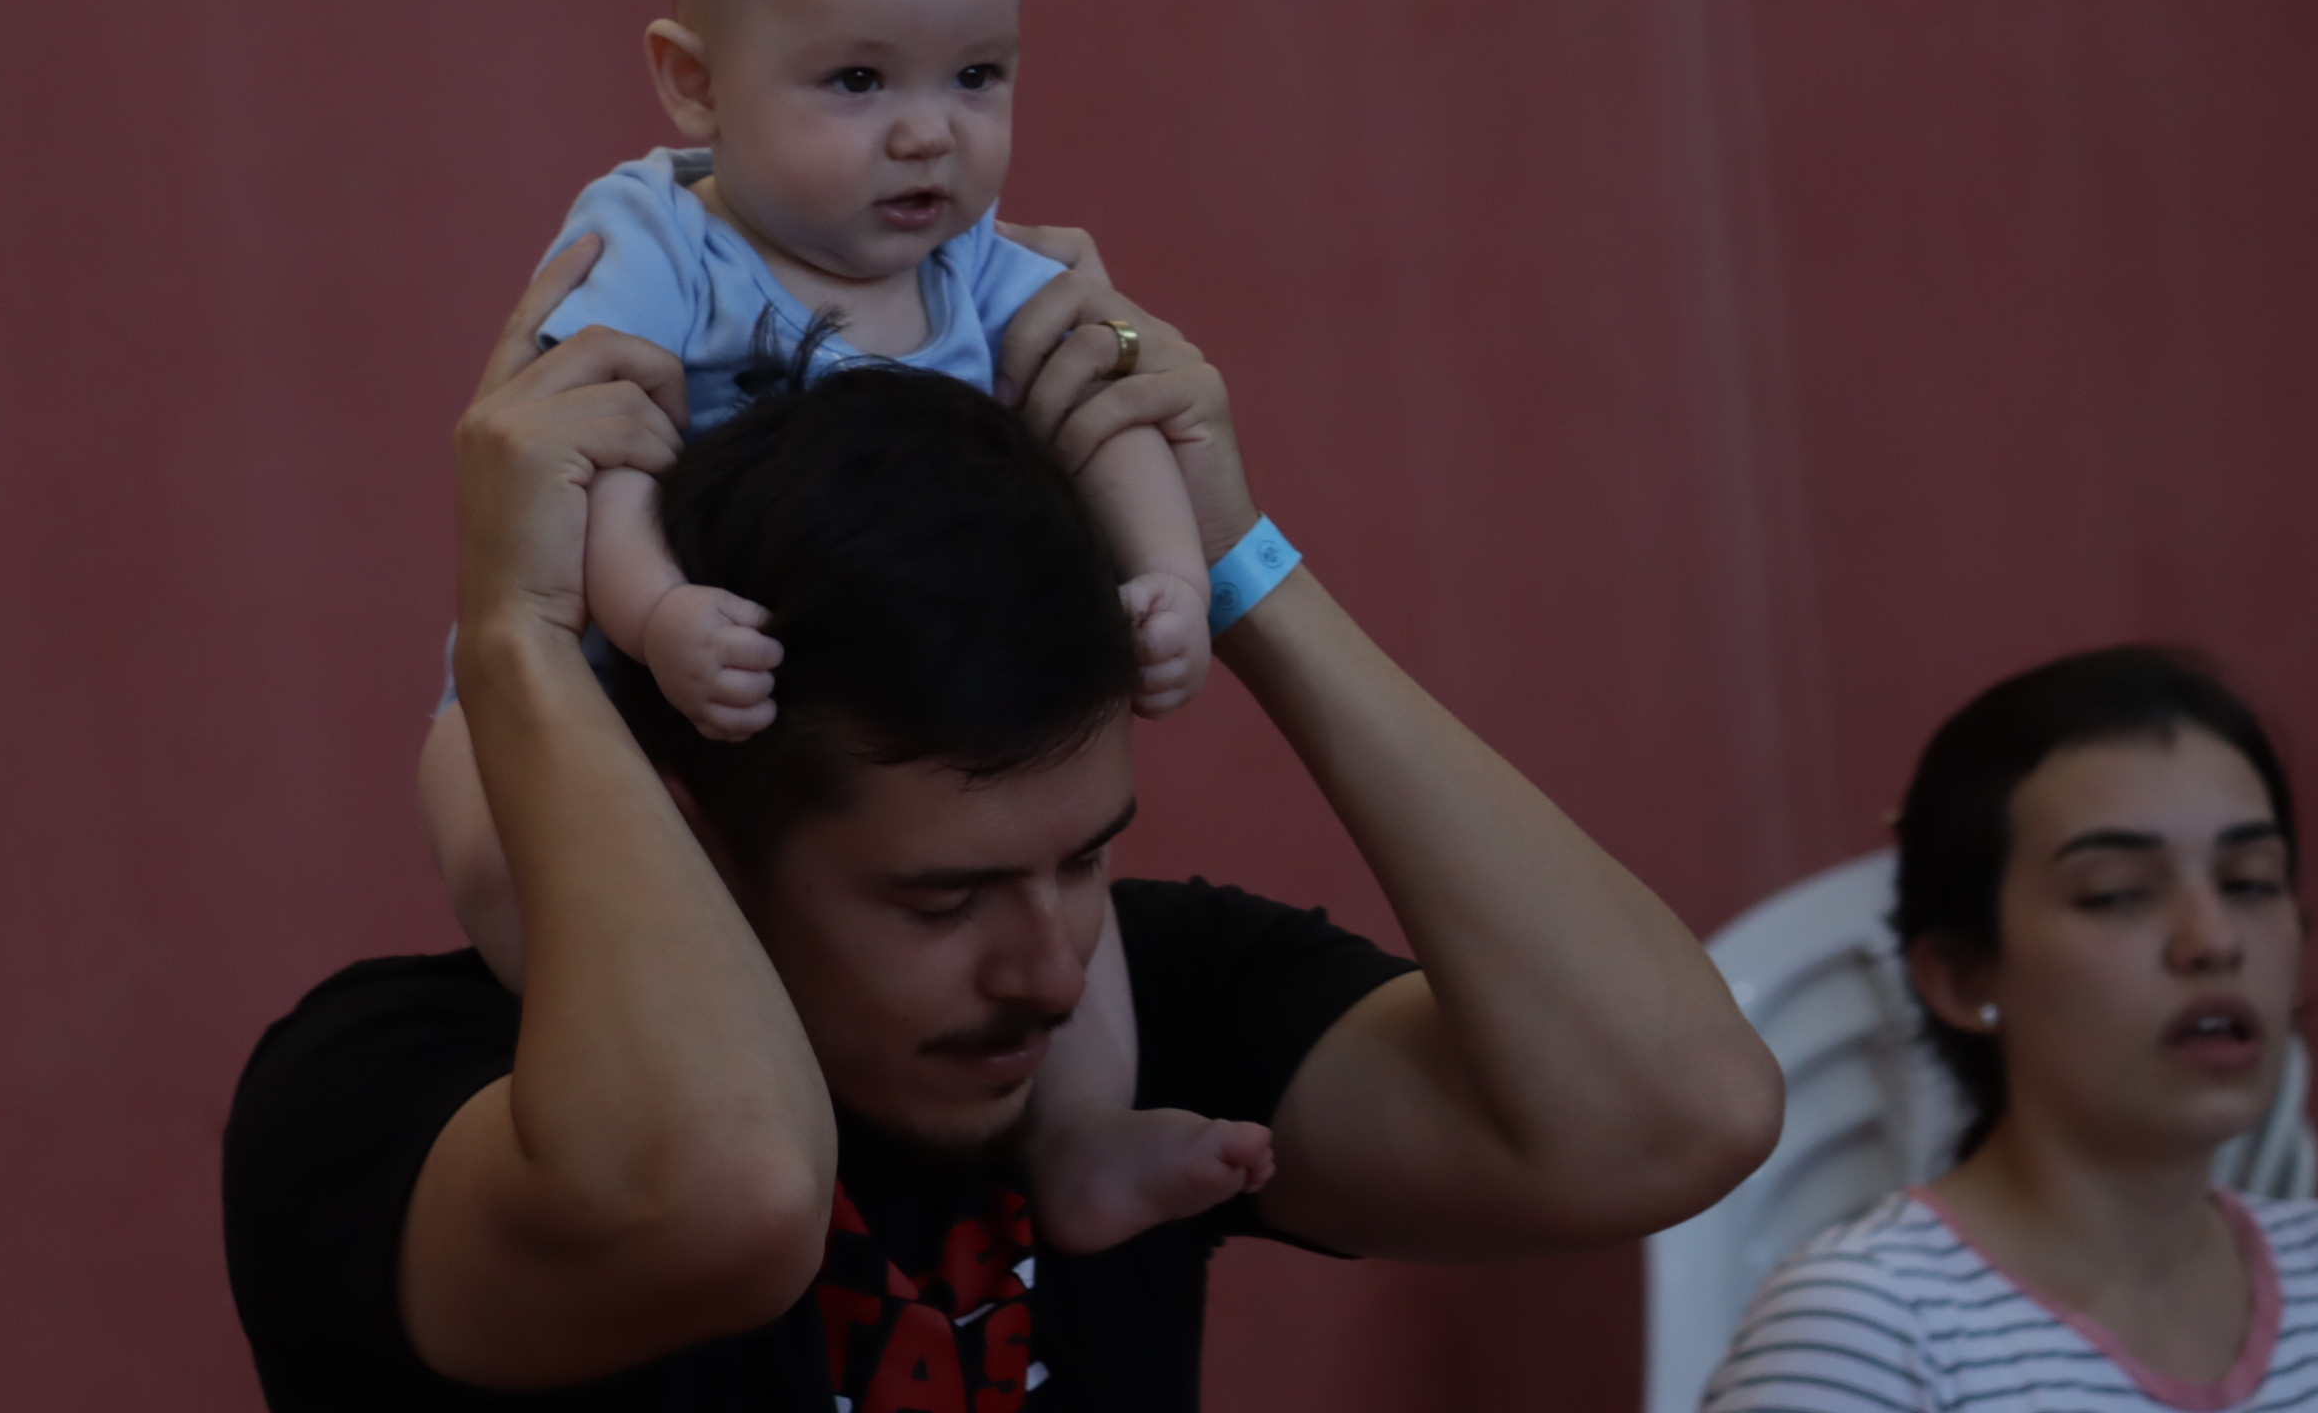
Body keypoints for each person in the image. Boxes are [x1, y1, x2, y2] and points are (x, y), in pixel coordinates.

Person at [222, 239, 1783, 1410]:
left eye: (1088, 856)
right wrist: (522, 645)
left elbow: (1673, 1112)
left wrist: (1230, 556)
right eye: (941, 899)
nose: (1050, 966)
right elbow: (727, 1196)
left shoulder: (1126, 1023)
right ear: (690, 828)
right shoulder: (384, 1092)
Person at [423, 0, 1235, 1255]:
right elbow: (594, 456)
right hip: (614, 667)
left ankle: (1081, 1142)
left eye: (975, 76)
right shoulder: (660, 241)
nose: (928, 136)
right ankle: (653, 1057)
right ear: (694, 82)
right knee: (500, 837)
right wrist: (657, 612)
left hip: (866, 728)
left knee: (1066, 910)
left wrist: (1175, 581)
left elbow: (1117, 410)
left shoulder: (979, 267)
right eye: (859, 82)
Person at [1702, 646, 2318, 1412]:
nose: (2215, 939)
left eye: (2250, 882)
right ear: (1963, 977)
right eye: (2116, 894)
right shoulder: (1863, 1330)